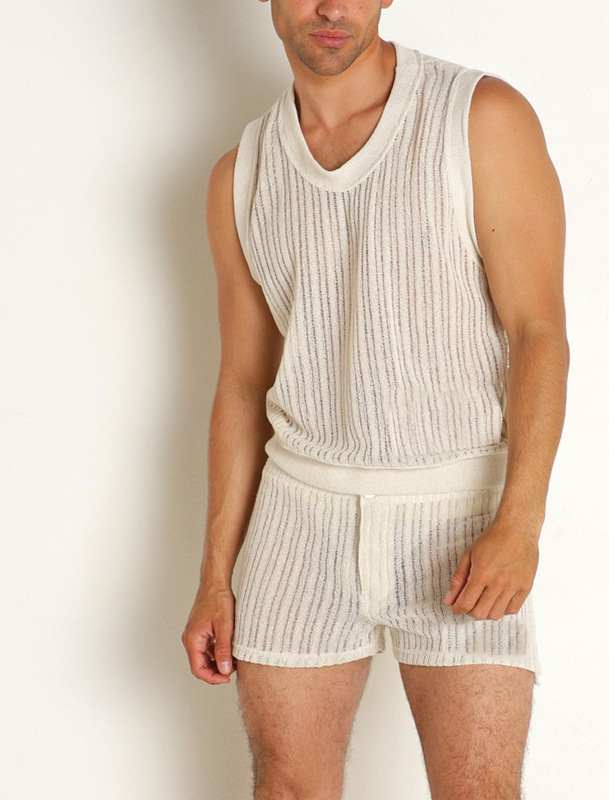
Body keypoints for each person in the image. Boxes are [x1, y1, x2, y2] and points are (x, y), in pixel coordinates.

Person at [182, 1, 568, 797]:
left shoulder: (479, 117)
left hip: (457, 510)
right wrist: (216, 572)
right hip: (299, 516)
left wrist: (521, 521)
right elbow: (244, 383)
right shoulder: (241, 174)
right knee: (287, 788)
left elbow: (539, 331)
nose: (331, 6)